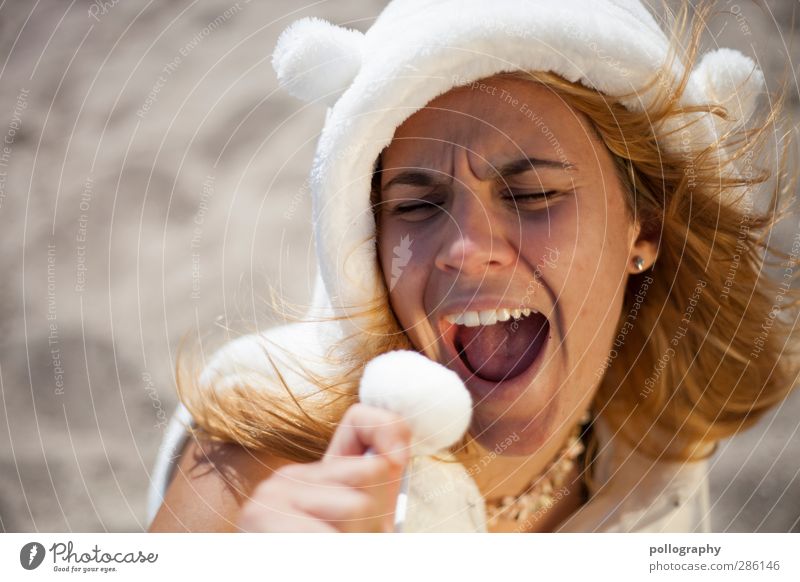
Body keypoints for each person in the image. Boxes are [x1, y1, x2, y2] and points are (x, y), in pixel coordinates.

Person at [147, 0, 800, 533]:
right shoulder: (260, 461)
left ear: (644, 228)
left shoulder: (658, 443)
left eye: (532, 195)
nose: (464, 247)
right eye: (420, 203)